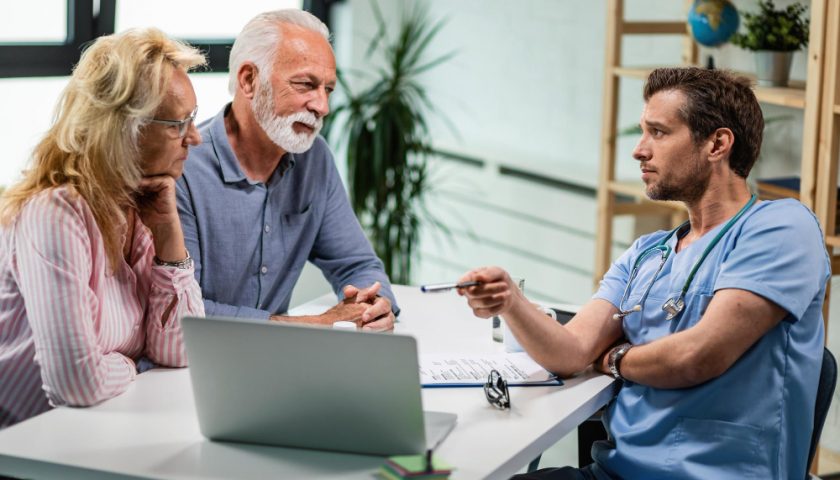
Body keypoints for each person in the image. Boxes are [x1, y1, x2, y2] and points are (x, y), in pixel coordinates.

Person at [458, 67, 829, 479]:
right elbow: (570, 353)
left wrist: (613, 357)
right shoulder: (646, 253)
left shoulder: (781, 227)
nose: (639, 150)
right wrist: (511, 301)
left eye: (659, 132)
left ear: (718, 144)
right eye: (643, 132)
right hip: (616, 472)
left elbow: (698, 356)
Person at [0, 28, 206, 429]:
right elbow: (75, 384)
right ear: (124, 128)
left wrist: (168, 234)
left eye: (193, 119)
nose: (194, 138)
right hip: (18, 444)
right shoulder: (55, 213)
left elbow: (179, 350)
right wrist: (131, 363)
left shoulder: (143, 203)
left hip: (88, 431)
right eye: (178, 124)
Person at [176, 9, 397, 330]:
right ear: (249, 80)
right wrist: (310, 325)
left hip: (275, 362)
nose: (323, 107)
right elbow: (180, 312)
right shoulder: (183, 167)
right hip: (187, 364)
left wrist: (375, 305)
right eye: (306, 85)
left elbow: (357, 264)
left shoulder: (314, 158)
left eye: (328, 90)